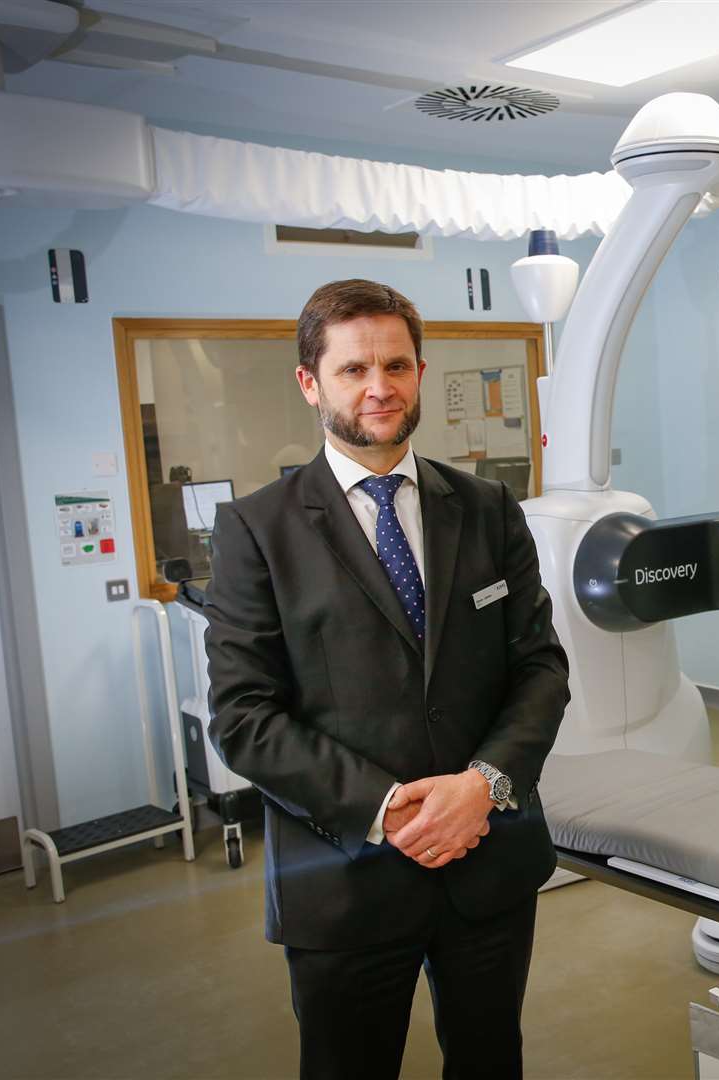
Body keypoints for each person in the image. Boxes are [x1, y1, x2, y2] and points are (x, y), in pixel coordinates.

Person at [203, 278, 570, 1080]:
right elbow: (243, 716)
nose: (380, 388)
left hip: (488, 862)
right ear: (310, 383)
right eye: (353, 370)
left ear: (420, 371)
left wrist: (484, 785)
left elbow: (539, 667)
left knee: (489, 1062)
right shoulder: (256, 531)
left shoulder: (487, 508)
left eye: (397, 366)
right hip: (345, 877)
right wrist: (386, 809)